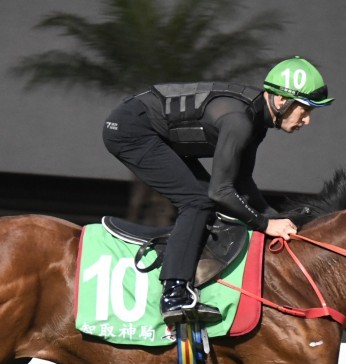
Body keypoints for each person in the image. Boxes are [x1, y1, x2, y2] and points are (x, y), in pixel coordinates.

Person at [102, 56, 333, 324]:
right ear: (282, 101)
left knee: (205, 201)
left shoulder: (257, 121)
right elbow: (220, 192)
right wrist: (265, 224)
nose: (307, 120)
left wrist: (277, 219)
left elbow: (242, 182)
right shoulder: (240, 122)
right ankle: (174, 293)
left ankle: (184, 268)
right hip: (130, 130)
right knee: (198, 201)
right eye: (305, 110)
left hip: (155, 131)